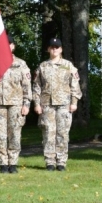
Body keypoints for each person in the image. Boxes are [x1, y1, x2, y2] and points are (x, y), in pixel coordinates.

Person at [32, 38, 82, 171]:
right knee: (48, 133)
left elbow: (75, 85)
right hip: (46, 105)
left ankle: (61, 162)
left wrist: (74, 102)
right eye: (52, 47)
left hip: (64, 105)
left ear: (61, 49)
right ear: (48, 49)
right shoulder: (42, 66)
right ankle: (49, 162)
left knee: (63, 133)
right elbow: (36, 87)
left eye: (57, 47)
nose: (54, 49)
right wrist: (36, 104)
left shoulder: (68, 65)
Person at [0, 40, 31, 174]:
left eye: (10, 43)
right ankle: (3, 163)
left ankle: (13, 163)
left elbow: (27, 86)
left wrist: (26, 104)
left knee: (15, 134)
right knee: (0, 135)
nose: (7, 46)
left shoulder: (21, 64)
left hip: (16, 104)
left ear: (13, 46)